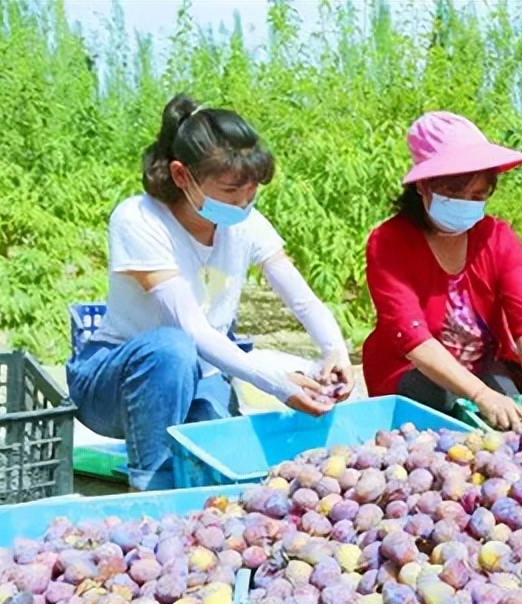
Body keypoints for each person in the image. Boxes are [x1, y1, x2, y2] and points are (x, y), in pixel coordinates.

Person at [67, 93, 353, 491]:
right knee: (172, 348)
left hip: (205, 371)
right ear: (182, 176)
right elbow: (192, 329)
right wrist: (277, 384)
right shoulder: (139, 219)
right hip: (116, 381)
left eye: (251, 193)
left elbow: (300, 298)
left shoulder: (245, 224)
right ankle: (150, 487)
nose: (242, 204)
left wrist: (333, 349)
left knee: (210, 463)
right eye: (231, 192)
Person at [363, 111, 522, 430]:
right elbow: (412, 339)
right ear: (422, 187)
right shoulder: (389, 243)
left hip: (482, 366)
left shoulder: (497, 238)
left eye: (477, 196)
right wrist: (480, 393)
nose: (466, 203)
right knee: (435, 397)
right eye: (454, 194)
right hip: (415, 374)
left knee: (517, 406)